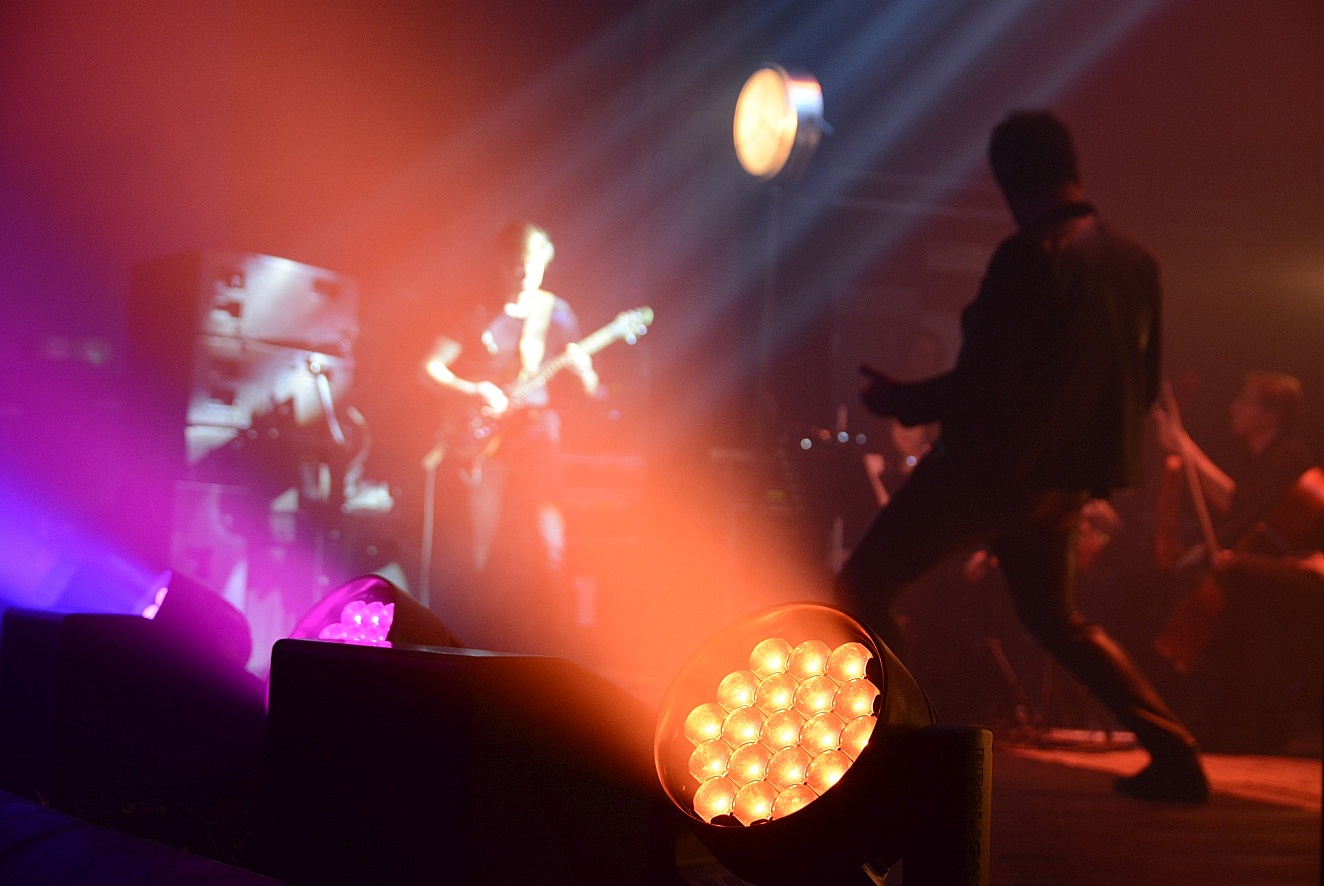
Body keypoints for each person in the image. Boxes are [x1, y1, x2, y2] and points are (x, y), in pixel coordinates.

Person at [834, 110, 1209, 802]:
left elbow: (989, 381)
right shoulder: (1137, 263)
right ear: (1075, 168)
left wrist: (903, 401)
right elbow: (1143, 380)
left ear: (1006, 183)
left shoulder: (1028, 257)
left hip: (989, 472)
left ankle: (909, 753)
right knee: (1057, 621)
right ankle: (1175, 753)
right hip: (1065, 484)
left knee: (861, 591)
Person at [421, 221, 600, 653]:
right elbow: (428, 369)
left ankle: (552, 652)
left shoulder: (557, 313)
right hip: (485, 438)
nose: (524, 273)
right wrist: (473, 389)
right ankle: (470, 644)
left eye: (532, 264)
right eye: (516, 264)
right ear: (501, 264)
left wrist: (584, 371)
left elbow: (593, 392)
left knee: (549, 542)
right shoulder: (477, 310)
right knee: (479, 544)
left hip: (537, 434)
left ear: (545, 264)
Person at [1152, 371, 1322, 752]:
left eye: (1244, 401)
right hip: (1274, 566)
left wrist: (1186, 448)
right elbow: (1241, 512)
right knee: (1207, 575)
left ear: (1272, 414)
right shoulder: (1261, 461)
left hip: (1304, 571)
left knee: (1236, 575)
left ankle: (1235, 720)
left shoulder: (1290, 458)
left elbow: (1241, 505)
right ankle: (1205, 710)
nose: (1233, 408)